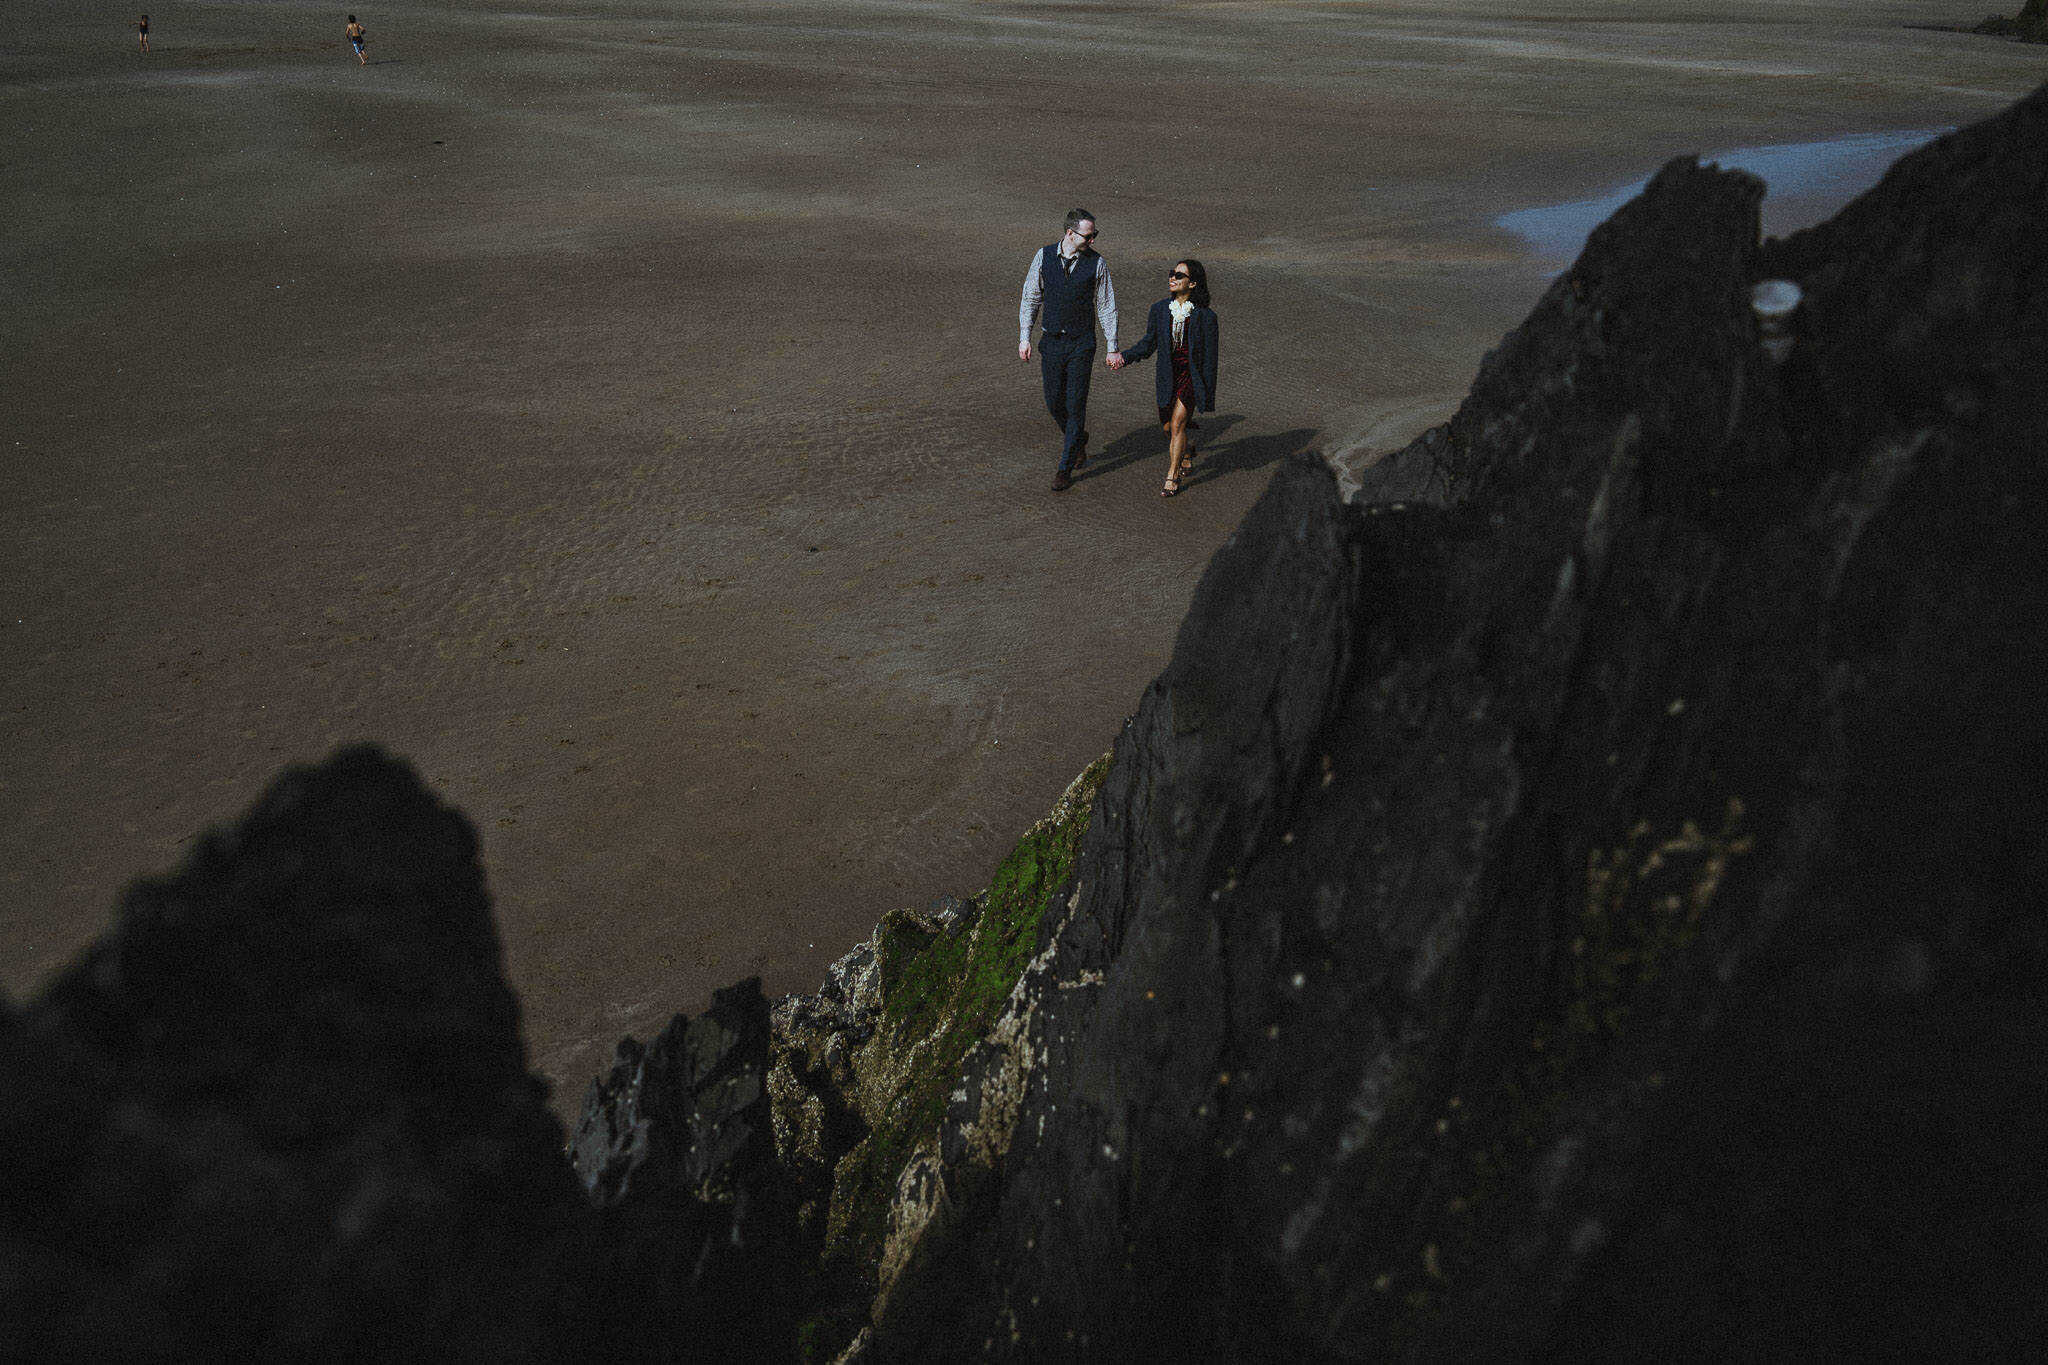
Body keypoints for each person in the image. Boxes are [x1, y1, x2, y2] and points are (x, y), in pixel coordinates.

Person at [1018, 209, 1119, 492]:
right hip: (1051, 342)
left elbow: (1106, 305)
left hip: (1081, 343)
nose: (1093, 241)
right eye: (1089, 236)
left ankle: (1064, 467)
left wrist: (1112, 346)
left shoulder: (1097, 263)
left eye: (1094, 235)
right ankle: (1078, 439)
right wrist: (1024, 337)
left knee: (1076, 404)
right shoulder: (1044, 256)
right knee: (1053, 402)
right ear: (1070, 234)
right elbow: (1031, 297)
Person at [1111, 259, 1218, 496]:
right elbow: (1148, 344)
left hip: (1191, 376)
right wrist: (1124, 357)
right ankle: (1186, 450)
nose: (1172, 278)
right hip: (1167, 376)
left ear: (1193, 283)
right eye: (1172, 273)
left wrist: (1207, 393)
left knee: (1179, 423)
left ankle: (1172, 475)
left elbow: (1211, 359)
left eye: (1179, 275)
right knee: (1169, 427)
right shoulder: (1159, 310)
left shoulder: (1207, 317)